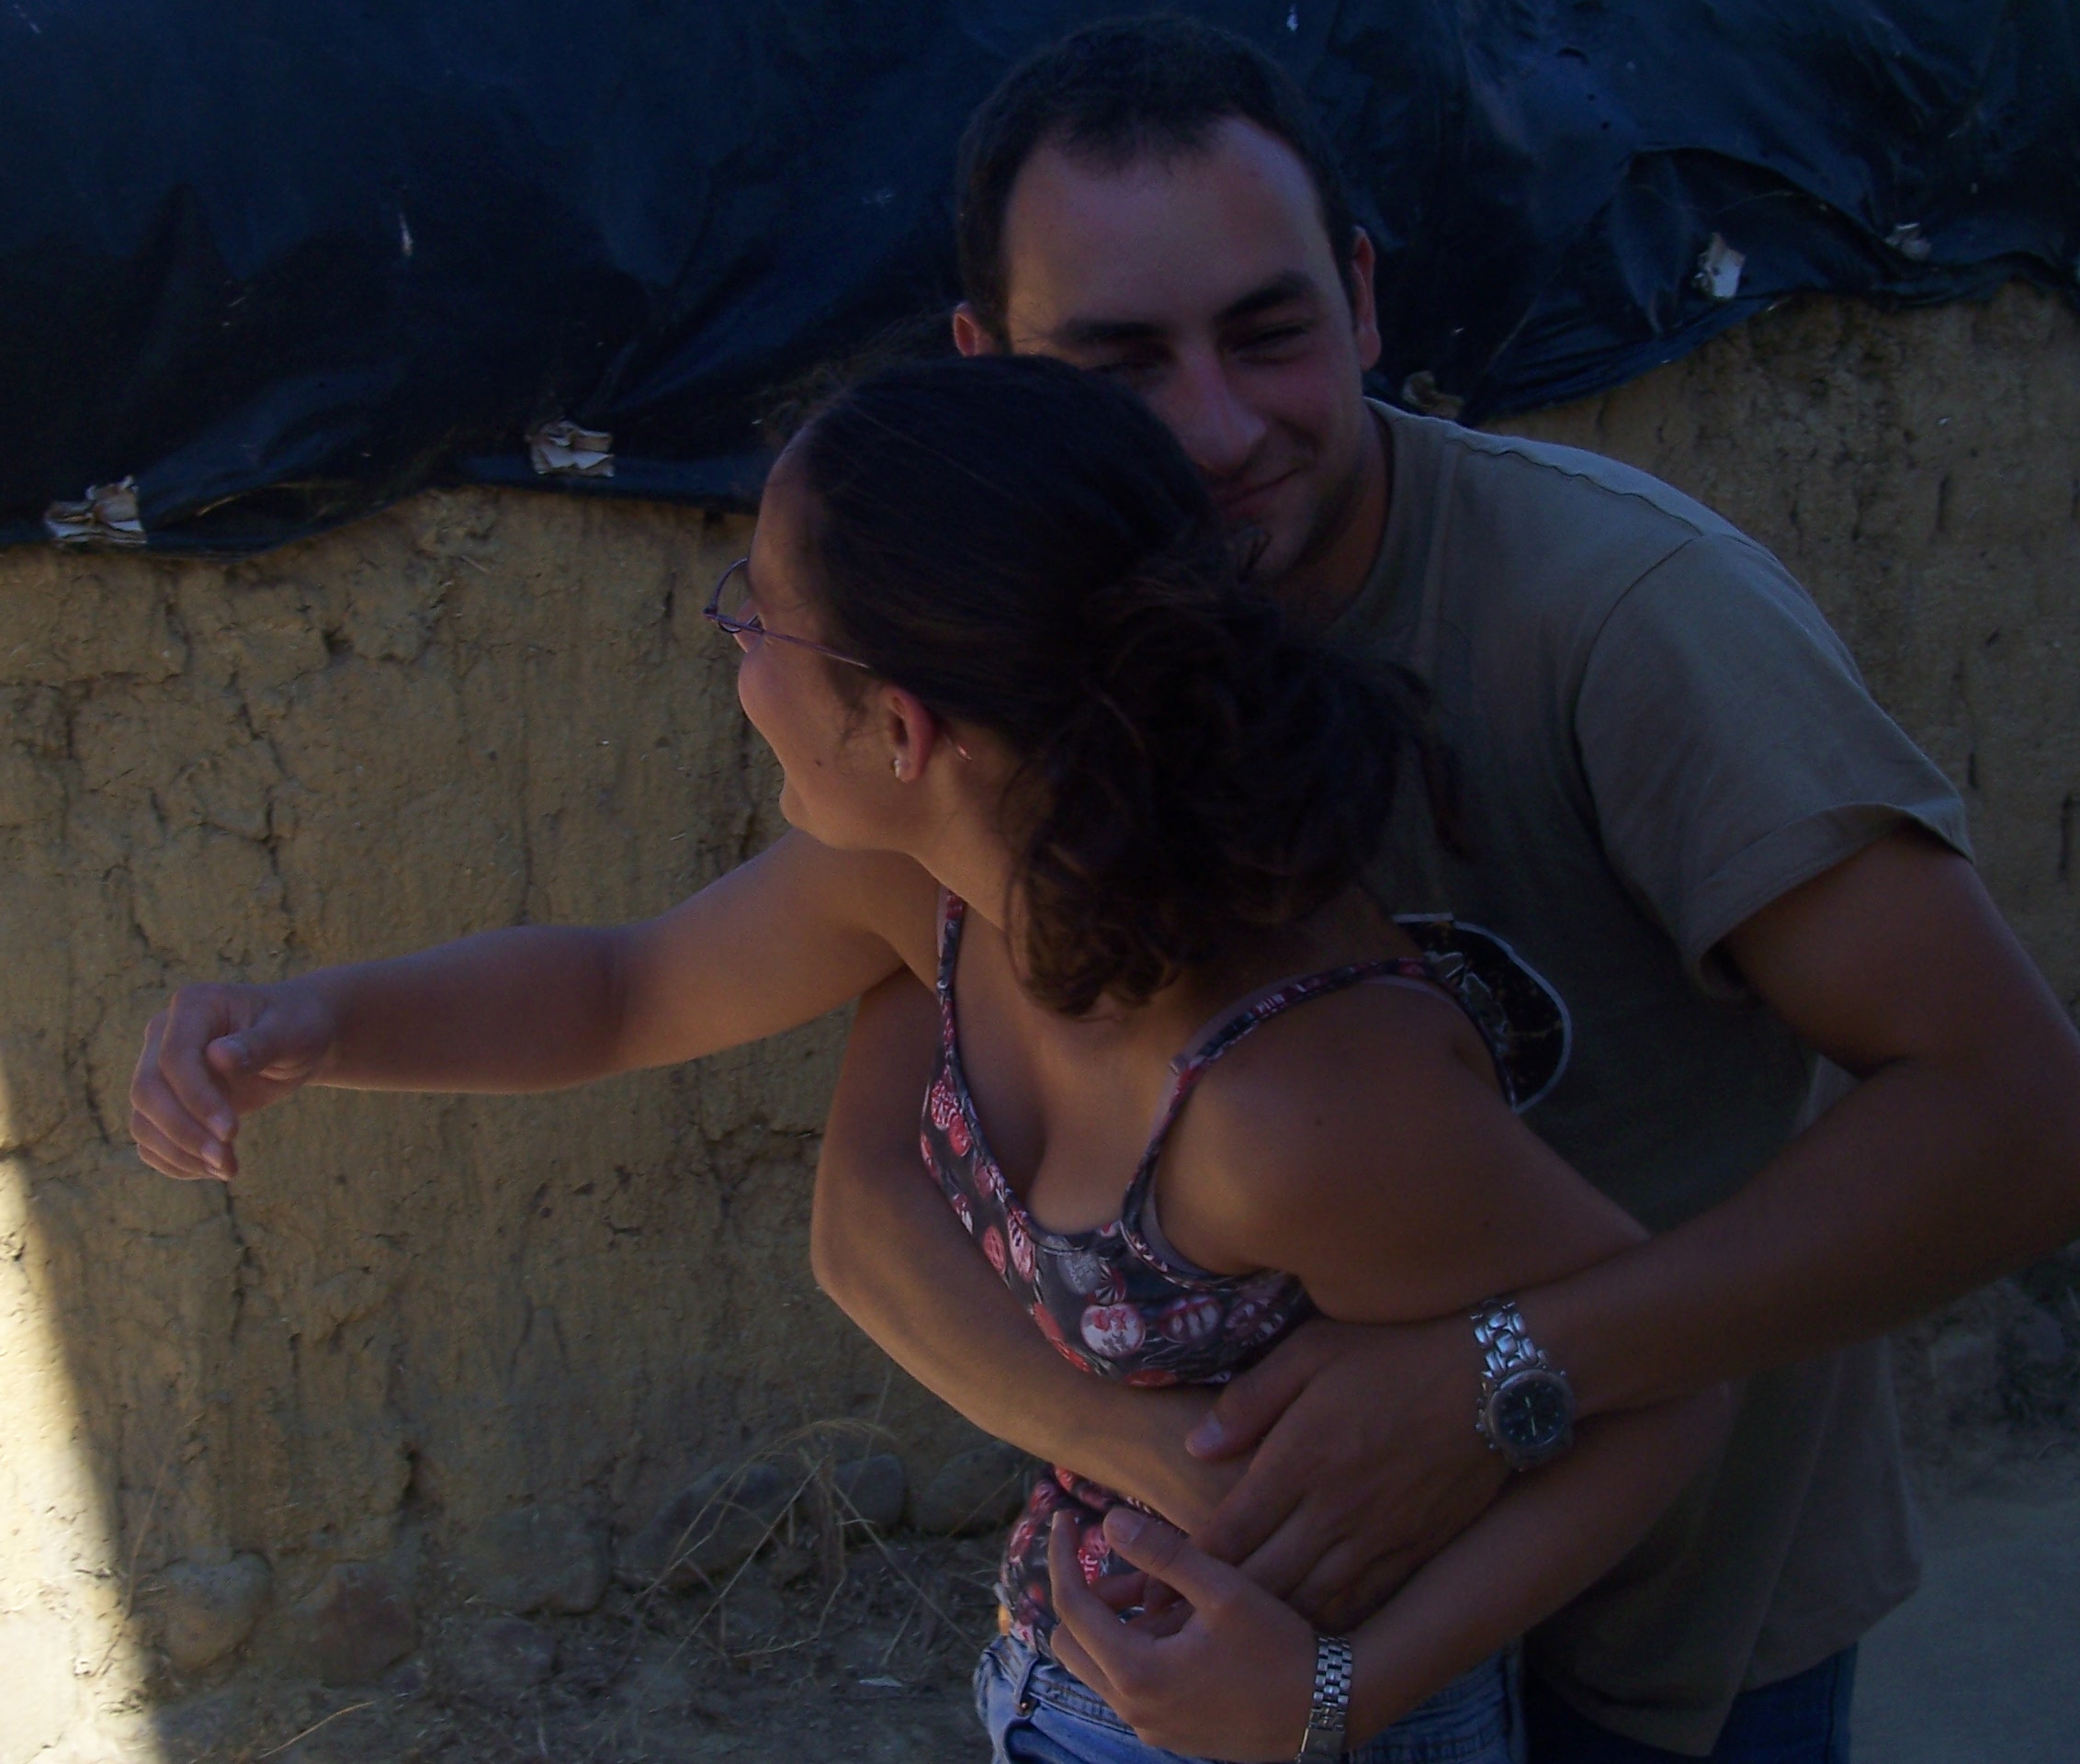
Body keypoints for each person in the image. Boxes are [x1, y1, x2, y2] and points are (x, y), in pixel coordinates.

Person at [130, 354, 1729, 1761]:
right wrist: (319, 1024)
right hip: (1067, 1693)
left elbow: (1668, 1392)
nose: (733, 652)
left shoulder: (1294, 1101)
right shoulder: (937, 889)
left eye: (755, 614)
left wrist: (1340, 1693)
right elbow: (623, 991)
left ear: (900, 731)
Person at [805, 17, 2080, 1764]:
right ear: (989, 372)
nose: (1217, 428)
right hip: (1280, 1622)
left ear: (1362, 300)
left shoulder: (1621, 622)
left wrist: (1496, 1373)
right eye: (1119, 366)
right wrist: (1163, 1460)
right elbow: (862, 1189)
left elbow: (2020, 1120)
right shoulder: (1011, 674)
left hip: (1665, 1633)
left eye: (1271, 333)